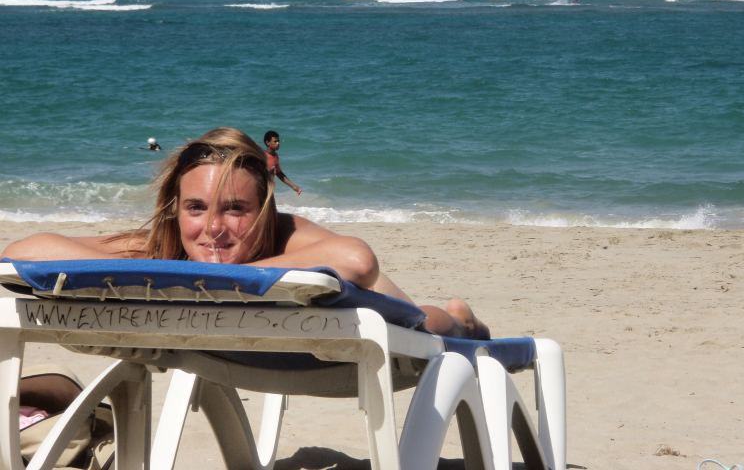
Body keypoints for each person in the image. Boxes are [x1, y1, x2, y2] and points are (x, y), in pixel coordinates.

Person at [2, 127, 489, 339]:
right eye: (196, 208)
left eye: (235, 209)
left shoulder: (288, 234)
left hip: (392, 321)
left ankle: (462, 319)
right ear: (175, 208)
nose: (213, 228)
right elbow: (25, 250)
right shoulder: (170, 243)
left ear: (263, 210)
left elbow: (358, 262)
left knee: (430, 322)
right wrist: (164, 269)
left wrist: (215, 280)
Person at [263, 130, 301, 195]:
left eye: (278, 141)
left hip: (269, 189)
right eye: (275, 141)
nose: (278, 143)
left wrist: (294, 186)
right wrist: (268, 172)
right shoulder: (262, 156)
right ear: (267, 142)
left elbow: (279, 174)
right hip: (260, 189)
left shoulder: (275, 156)